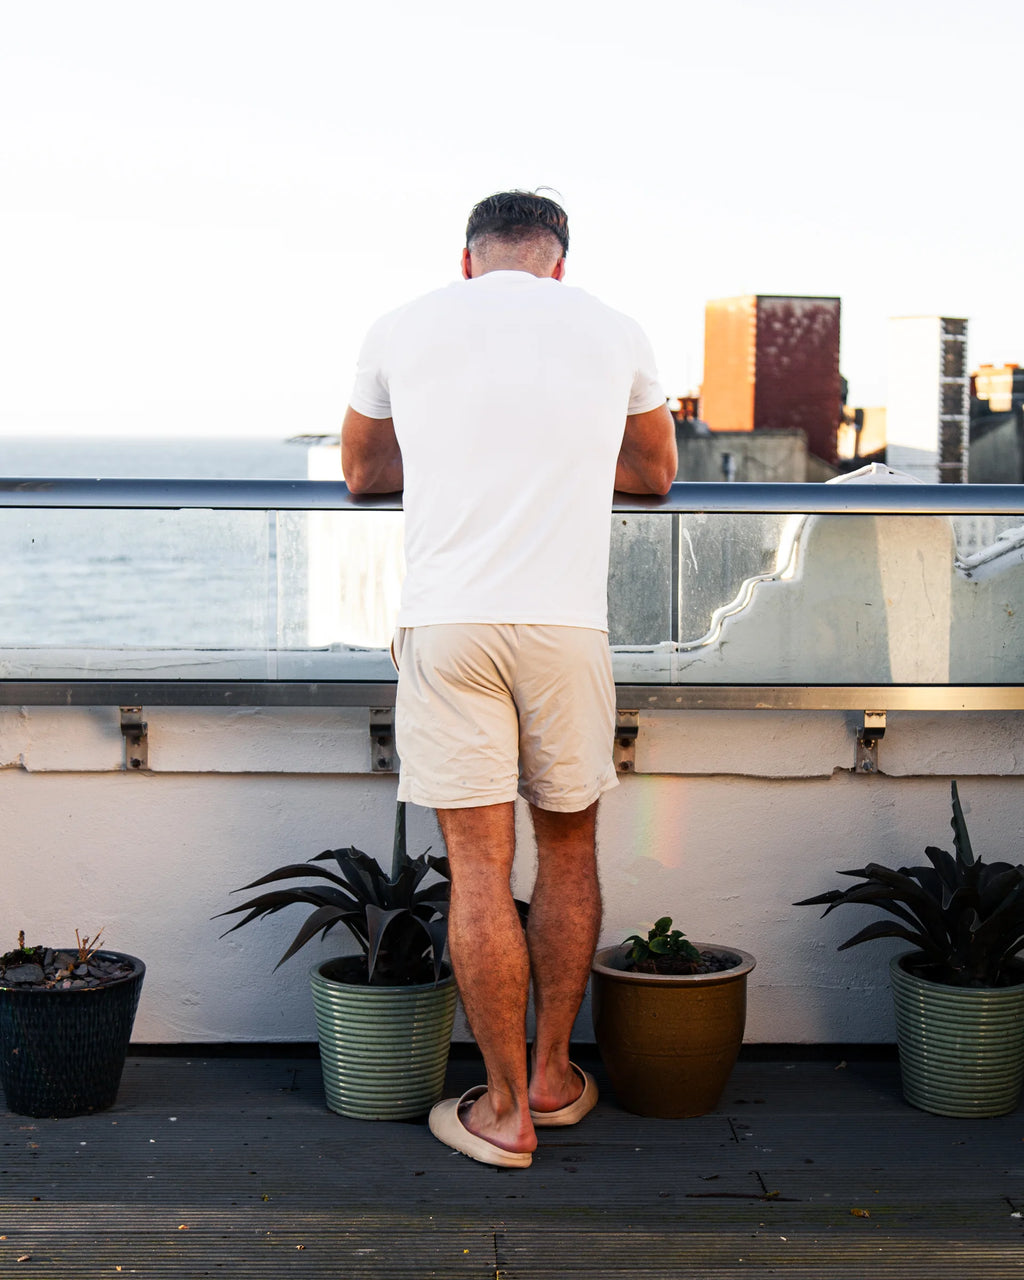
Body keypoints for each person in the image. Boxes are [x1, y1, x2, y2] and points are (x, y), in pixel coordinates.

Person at [341, 190, 676, 1168]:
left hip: (450, 620)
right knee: (567, 856)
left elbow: (363, 472)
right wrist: (563, 465)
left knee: (479, 871)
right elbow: (655, 473)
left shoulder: (403, 323)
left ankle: (500, 1110)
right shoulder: (612, 326)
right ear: (557, 262)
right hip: (566, 625)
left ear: (467, 259)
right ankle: (550, 1074)